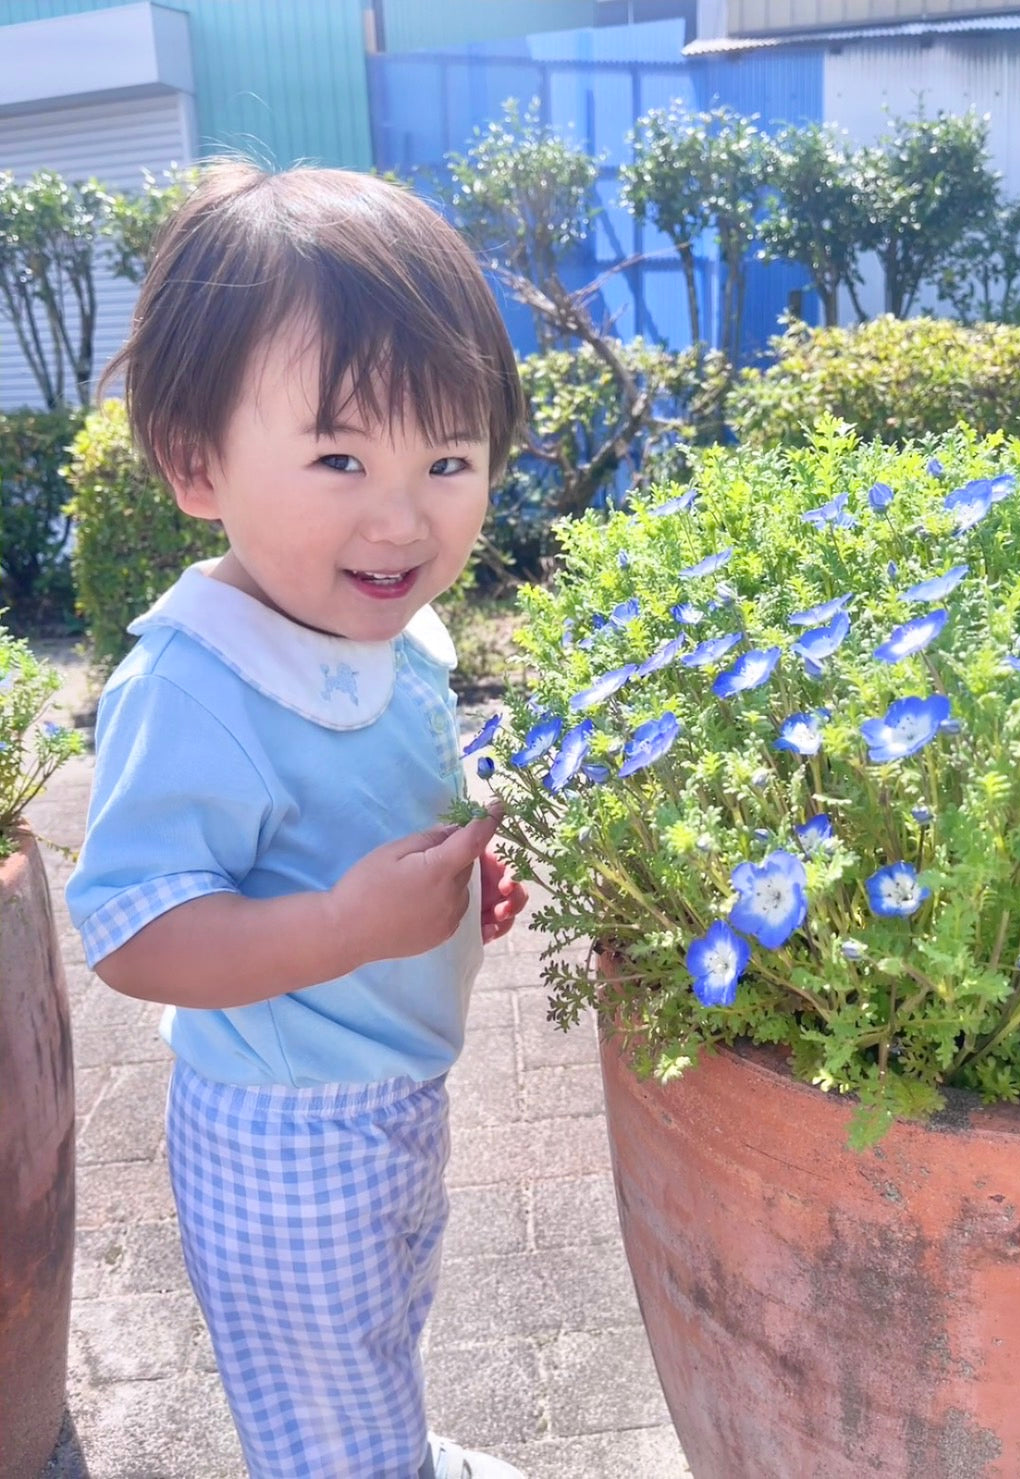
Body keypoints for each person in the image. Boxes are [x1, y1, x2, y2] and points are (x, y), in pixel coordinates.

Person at [66, 160, 531, 1479]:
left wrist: (448, 902)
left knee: (374, 1338)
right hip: (285, 1133)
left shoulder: (388, 634)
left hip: (389, 1095)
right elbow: (134, 932)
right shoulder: (195, 682)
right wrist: (340, 924)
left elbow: (373, 826)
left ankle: (387, 1449)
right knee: (322, 1411)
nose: (402, 513)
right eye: (339, 455)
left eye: (449, 457)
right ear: (195, 463)